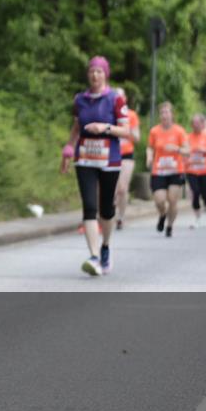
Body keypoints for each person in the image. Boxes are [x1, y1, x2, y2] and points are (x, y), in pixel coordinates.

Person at [60, 56, 129, 276]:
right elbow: (76, 127)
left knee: (106, 209)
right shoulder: (80, 99)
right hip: (85, 159)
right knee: (89, 207)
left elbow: (126, 130)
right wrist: (68, 149)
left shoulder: (115, 99)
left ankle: (105, 246)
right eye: (91, 71)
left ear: (105, 74)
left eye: (99, 71)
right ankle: (94, 255)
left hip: (110, 160)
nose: (94, 75)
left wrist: (105, 127)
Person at [147, 102, 189, 238]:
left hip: (175, 170)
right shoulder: (154, 131)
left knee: (172, 200)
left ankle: (170, 226)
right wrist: (148, 157)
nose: (164, 115)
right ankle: (163, 214)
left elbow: (187, 151)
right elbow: (150, 147)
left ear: (172, 114)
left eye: (167, 112)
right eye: (162, 112)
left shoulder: (179, 131)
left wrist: (177, 149)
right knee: (159, 200)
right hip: (158, 170)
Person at [114, 87, 140, 230]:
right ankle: (108, 213)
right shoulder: (108, 113)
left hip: (126, 155)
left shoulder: (131, 115)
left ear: (125, 99)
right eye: (115, 97)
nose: (118, 99)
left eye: (120, 97)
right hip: (110, 153)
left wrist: (124, 130)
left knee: (122, 189)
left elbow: (137, 138)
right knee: (110, 188)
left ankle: (121, 217)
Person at [186, 113, 206, 229]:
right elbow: (184, 151)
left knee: (205, 194)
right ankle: (197, 218)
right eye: (193, 123)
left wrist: (203, 150)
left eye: (197, 123)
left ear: (202, 124)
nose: (195, 125)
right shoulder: (188, 137)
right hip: (191, 170)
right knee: (195, 192)